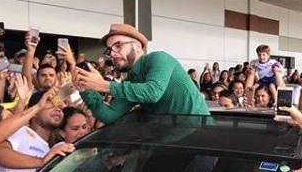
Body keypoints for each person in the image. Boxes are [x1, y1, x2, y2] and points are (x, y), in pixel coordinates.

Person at [64, 23, 210, 124]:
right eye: (110, 50)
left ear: (138, 46)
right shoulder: (131, 83)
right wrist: (85, 90)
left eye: (118, 45)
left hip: (200, 139)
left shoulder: (159, 58)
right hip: (170, 142)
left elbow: (153, 92)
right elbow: (109, 115)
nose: (113, 54)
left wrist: (103, 85)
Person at [0, 89, 74, 172]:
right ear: (34, 112)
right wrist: (40, 162)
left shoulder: (53, 148)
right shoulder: (20, 131)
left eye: (60, 107)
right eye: (50, 104)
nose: (58, 109)